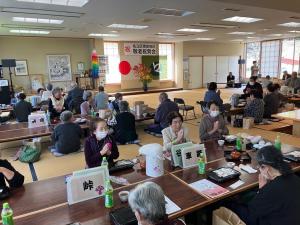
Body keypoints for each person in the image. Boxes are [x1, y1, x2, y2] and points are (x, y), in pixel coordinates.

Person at [227, 145, 300, 225]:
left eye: (260, 167)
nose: (260, 170)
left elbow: (253, 212)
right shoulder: (295, 178)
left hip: (275, 220)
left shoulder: (270, 189)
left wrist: (261, 189)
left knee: (232, 204)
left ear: (266, 168)